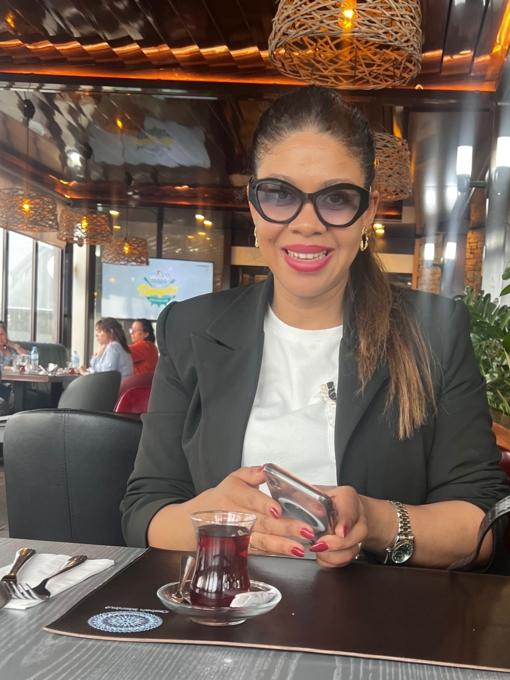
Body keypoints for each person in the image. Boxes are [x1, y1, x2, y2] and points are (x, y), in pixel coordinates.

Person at [121, 86, 508, 571]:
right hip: (225, 608)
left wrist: (375, 520)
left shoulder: (434, 332)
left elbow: (481, 523)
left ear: (368, 211)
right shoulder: (189, 328)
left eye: (337, 198)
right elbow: (144, 512)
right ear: (254, 204)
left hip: (375, 613)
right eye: (280, 194)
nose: (307, 224)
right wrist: (216, 521)